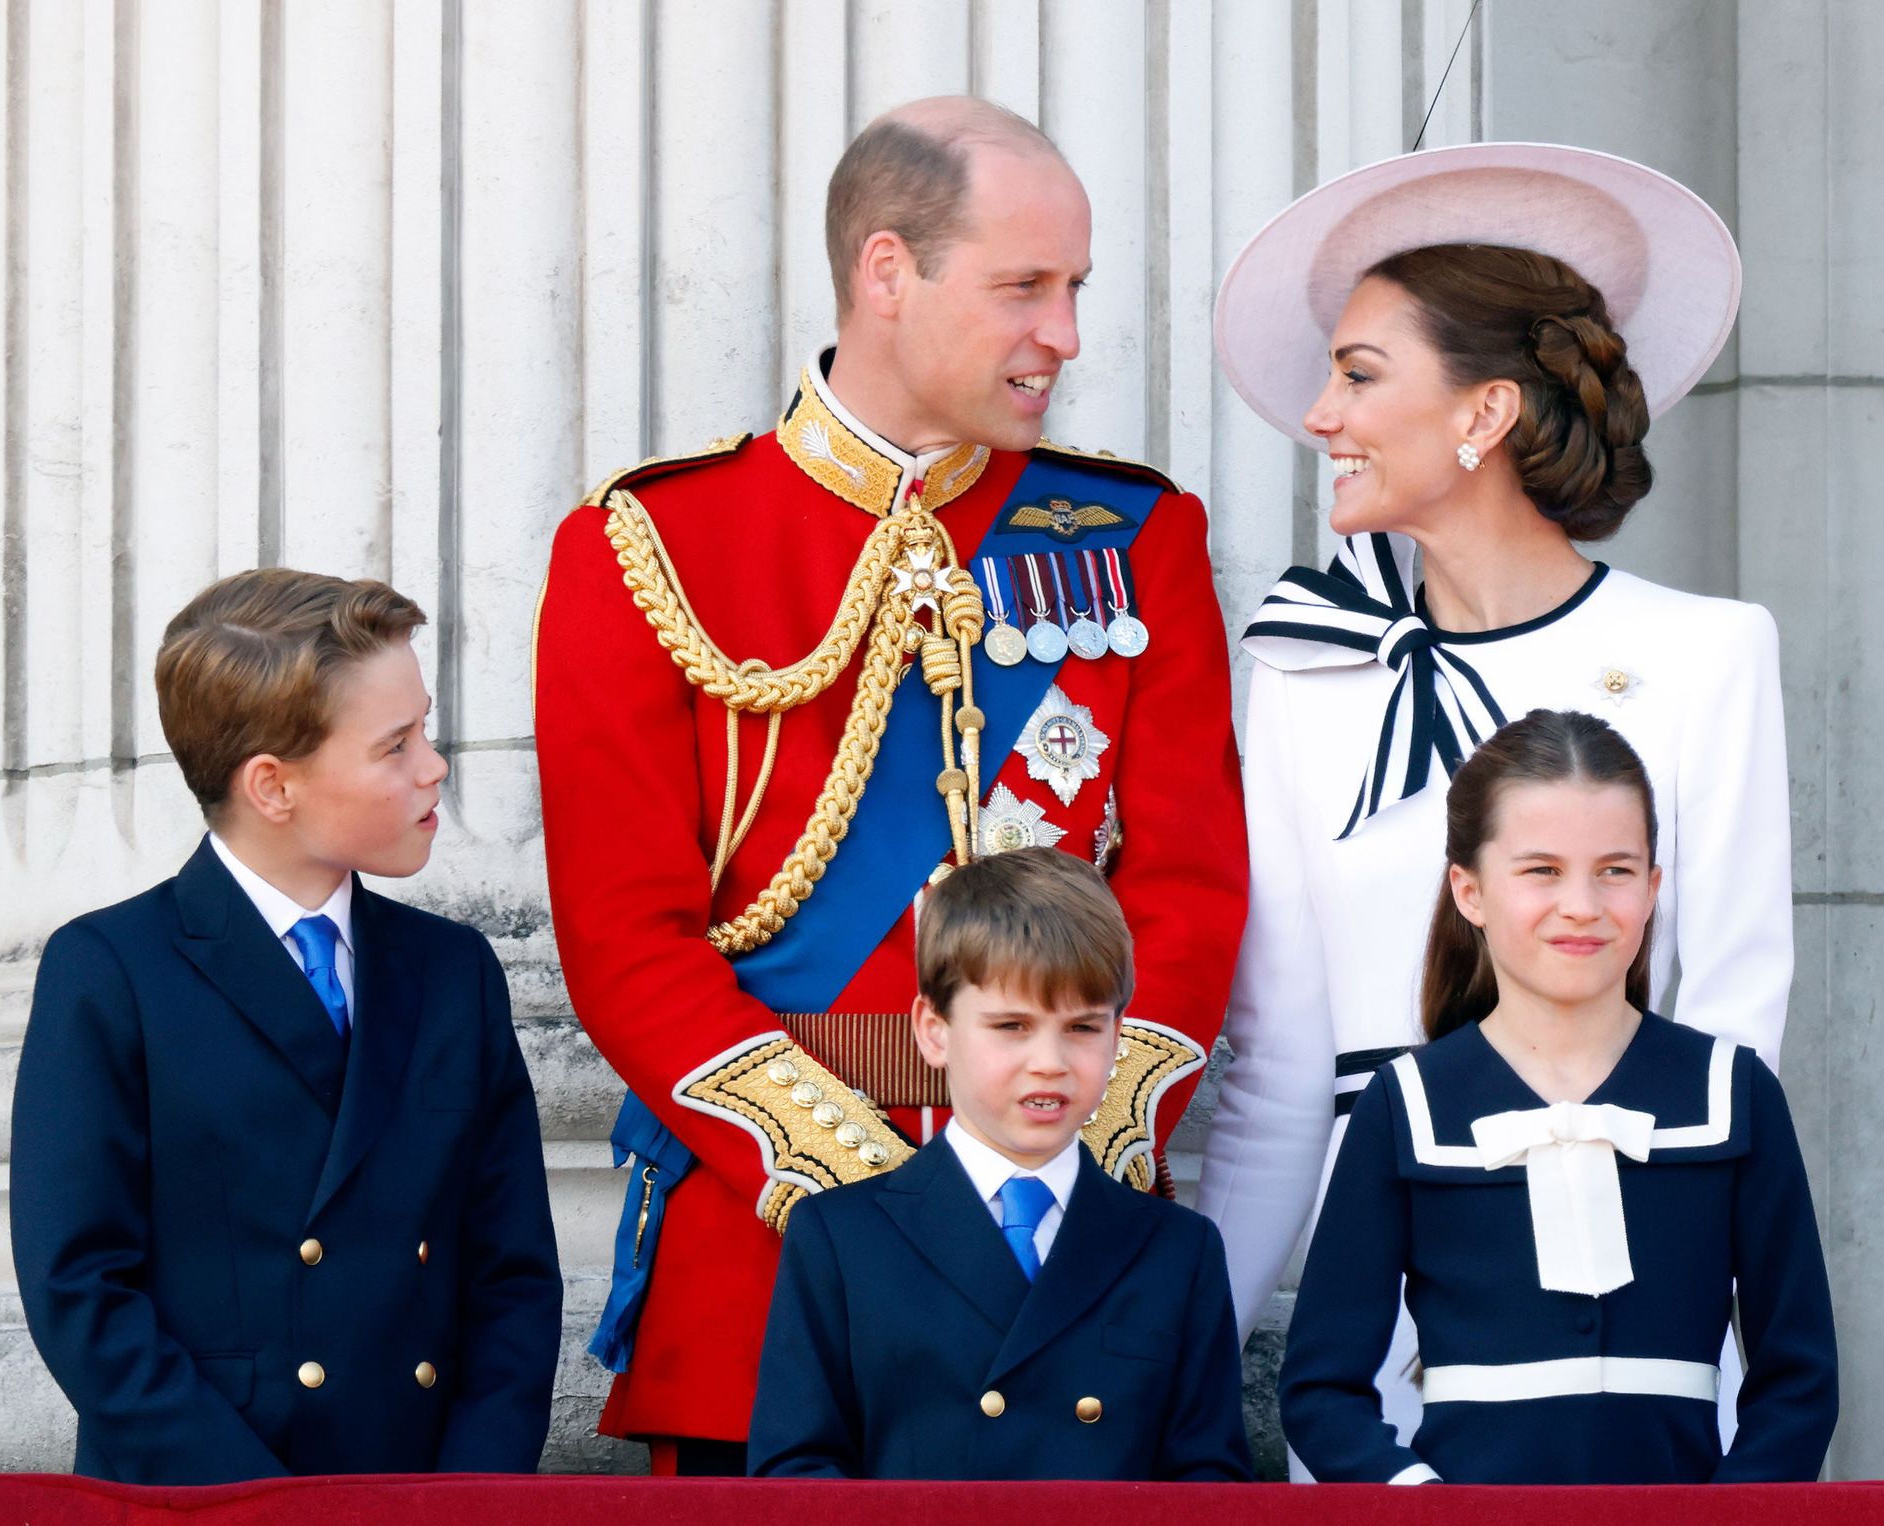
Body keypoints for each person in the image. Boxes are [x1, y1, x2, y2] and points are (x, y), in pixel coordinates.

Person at [534, 96, 1247, 1473]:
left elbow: (1191, 890)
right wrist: (870, 1197)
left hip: (1065, 1255)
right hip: (768, 1250)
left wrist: (1049, 1158)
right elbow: (625, 939)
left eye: (1076, 287)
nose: (1065, 332)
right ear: (886, 272)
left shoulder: (1135, 536)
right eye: (1024, 287)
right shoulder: (649, 546)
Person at [1195, 143, 1792, 1459]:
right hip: (1376, 1326)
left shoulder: (1709, 654)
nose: (1320, 417)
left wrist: (1722, 1370)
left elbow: (1732, 1047)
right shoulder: (1303, 670)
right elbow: (1278, 1077)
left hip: (1631, 1307)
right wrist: (1183, 1369)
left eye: (1359, 375)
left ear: (1487, 411)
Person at [9, 569, 563, 1484]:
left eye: (424, 729)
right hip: (202, 1493)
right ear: (272, 786)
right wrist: (258, 1508)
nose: (434, 766)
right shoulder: (111, 970)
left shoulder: (453, 971)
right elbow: (81, 1290)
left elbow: (512, 1277)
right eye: (395, 745)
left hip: (424, 1494)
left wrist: (471, 1497)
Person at [1279, 709, 1835, 1483]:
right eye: (1542, 870)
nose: (1582, 904)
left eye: (1616, 870)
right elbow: (1320, 1390)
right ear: (1470, 890)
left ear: (1653, 887)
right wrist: (1422, 1504)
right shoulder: (1403, 1106)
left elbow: (1799, 1382)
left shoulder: (1735, 1095)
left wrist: (1726, 1514)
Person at [747, 849, 1253, 1480]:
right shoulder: (841, 1236)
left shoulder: (1178, 1248)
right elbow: (797, 1477)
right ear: (934, 1031)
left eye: (1083, 1028)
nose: (1050, 1062)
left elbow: (1209, 1487)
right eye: (1012, 1025)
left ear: (1119, 1032)